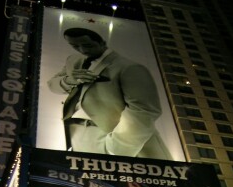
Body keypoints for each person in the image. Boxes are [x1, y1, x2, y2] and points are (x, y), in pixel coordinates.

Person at [47, 28, 172, 159]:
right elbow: (53, 85)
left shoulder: (129, 67)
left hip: (117, 138)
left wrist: (117, 148)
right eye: (75, 46)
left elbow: (144, 110)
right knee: (86, 179)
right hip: (78, 133)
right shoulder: (74, 61)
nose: (82, 50)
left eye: (88, 45)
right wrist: (69, 80)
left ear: (102, 43)